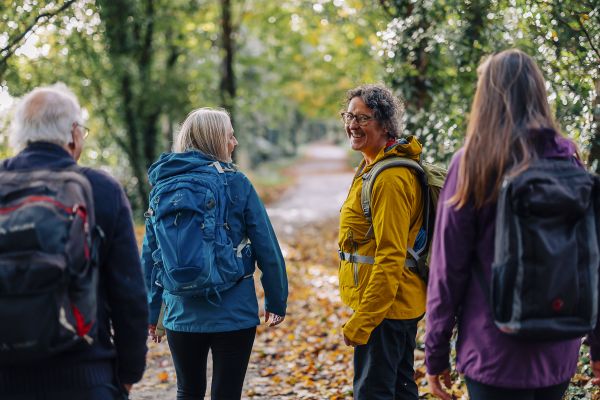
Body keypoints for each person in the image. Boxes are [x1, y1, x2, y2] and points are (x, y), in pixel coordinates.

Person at [425, 48, 600, 400]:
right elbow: (592, 257)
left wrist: (435, 353)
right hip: (559, 346)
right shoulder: (569, 159)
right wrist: (597, 345)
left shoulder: (473, 161)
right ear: (539, 93)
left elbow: (448, 270)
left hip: (493, 350)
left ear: (485, 97)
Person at [0, 83, 148, 399]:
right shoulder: (100, 188)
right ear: (74, 133)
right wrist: (128, 373)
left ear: (20, 134)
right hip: (83, 375)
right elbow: (129, 294)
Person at [141, 107, 288, 400]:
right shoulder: (236, 182)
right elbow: (265, 244)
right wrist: (276, 297)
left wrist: (152, 311)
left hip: (180, 310)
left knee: (188, 391)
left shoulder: (162, 187)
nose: (234, 142)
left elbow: (151, 254)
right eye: (230, 136)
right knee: (227, 393)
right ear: (216, 140)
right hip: (233, 312)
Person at [337, 84, 427, 399]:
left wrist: (363, 321)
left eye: (362, 118)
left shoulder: (389, 179)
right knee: (401, 390)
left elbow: (391, 257)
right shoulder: (374, 165)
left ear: (385, 123)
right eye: (349, 116)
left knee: (374, 392)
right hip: (393, 306)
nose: (352, 125)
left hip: (385, 312)